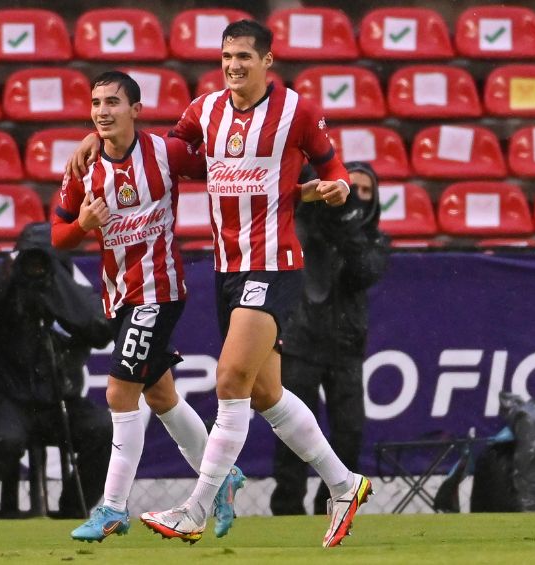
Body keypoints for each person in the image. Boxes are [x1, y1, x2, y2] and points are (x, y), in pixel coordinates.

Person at [68, 20, 372, 548]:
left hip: (273, 262)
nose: (233, 65)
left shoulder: (294, 111)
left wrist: (338, 185)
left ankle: (196, 507)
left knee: (230, 380)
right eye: (227, 56)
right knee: (265, 392)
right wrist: (101, 136)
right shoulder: (203, 111)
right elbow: (161, 154)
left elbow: (331, 161)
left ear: (267, 61)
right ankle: (345, 485)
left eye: (245, 57)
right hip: (227, 268)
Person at [52, 71, 245, 543]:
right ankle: (222, 477)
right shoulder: (83, 167)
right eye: (96, 103)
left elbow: (221, 157)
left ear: (135, 110)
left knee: (120, 393)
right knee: (159, 395)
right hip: (118, 294)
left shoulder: (165, 151)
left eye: (113, 102)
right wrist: (82, 223)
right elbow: (57, 236)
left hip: (159, 289)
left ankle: (112, 508)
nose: (102, 111)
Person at [0, 223, 114, 519]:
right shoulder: (3, 294)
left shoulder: (74, 297)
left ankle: (73, 509)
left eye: (44, 260)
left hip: (61, 402)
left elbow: (99, 329)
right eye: (29, 259)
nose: (36, 267)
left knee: (105, 429)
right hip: (10, 399)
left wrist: (57, 287)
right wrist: (4, 279)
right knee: (4, 439)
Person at [270, 161, 388, 516]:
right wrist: (326, 208)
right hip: (301, 342)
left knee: (349, 433)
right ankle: (287, 508)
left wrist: (347, 225)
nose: (359, 198)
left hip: (347, 348)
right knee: (293, 433)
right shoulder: (302, 224)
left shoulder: (375, 240)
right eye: (353, 188)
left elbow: (362, 273)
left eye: (367, 192)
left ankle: (331, 506)